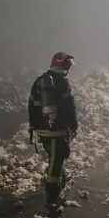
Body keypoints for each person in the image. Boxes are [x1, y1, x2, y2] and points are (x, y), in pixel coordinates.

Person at [28, 52, 78, 206]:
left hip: (42, 129)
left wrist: (34, 126)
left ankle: (60, 180)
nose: (68, 68)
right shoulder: (63, 83)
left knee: (55, 157)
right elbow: (70, 106)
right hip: (58, 130)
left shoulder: (39, 81)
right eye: (66, 65)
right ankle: (52, 194)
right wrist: (73, 125)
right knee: (56, 162)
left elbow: (31, 105)